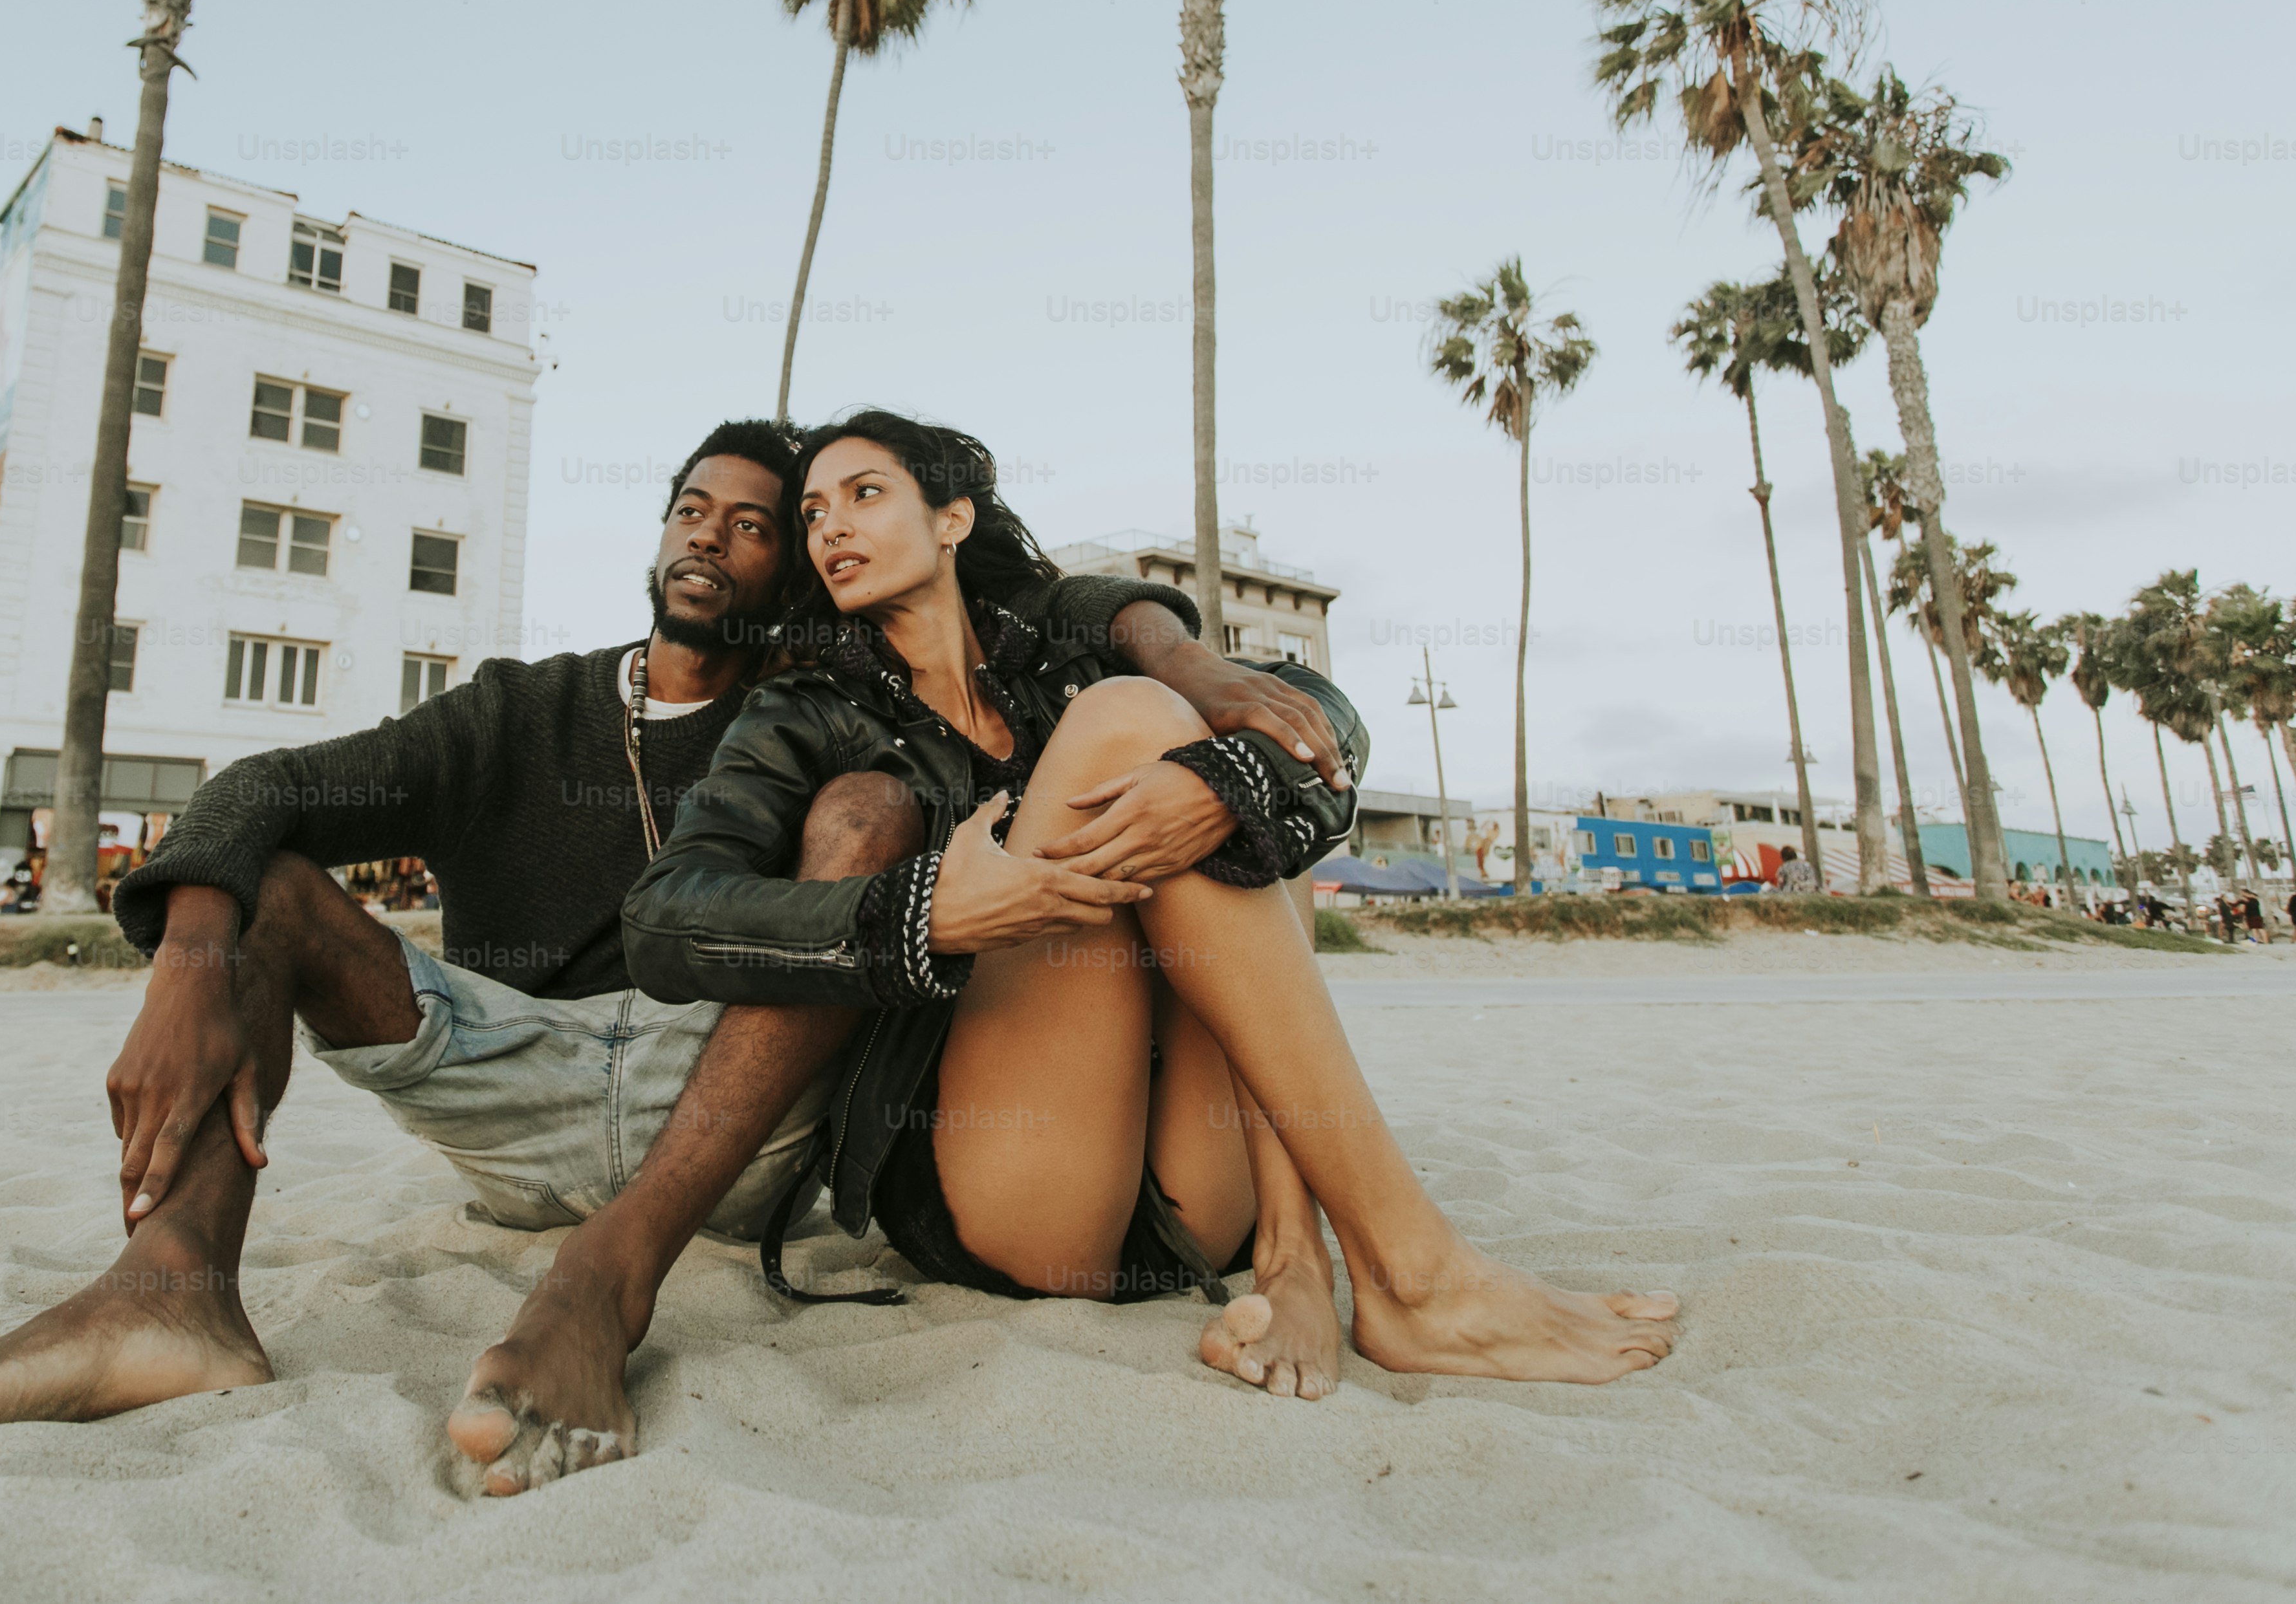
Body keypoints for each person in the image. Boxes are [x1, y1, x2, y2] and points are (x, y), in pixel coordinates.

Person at [0, 418, 1293, 1491]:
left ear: (802, 567)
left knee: (861, 821)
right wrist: (187, 946)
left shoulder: (826, 713)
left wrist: (1163, 652)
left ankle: (611, 1279)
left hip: (739, 1102)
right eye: (689, 511)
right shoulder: (515, 712)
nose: (708, 540)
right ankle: (170, 1293)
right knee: (265, 893)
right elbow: (263, 790)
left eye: (753, 525)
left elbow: (1037, 640)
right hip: (514, 1077)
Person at [627, 411, 1681, 1397]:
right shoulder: (806, 709)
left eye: (863, 494)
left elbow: (1324, 727)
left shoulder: (1060, 652)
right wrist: (925, 909)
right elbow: (666, 916)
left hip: (1195, 1197)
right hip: (1011, 1185)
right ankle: (1416, 1273)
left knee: (1234, 774)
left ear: (952, 520)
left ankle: (1294, 1260)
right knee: (1138, 720)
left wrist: (1221, 778)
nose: (831, 528)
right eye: (812, 513)